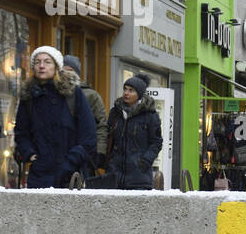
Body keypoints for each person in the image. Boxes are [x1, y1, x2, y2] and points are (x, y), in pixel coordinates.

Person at [14, 46, 97, 189]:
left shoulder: (72, 93)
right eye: (37, 62)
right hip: (40, 174)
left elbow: (89, 135)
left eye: (47, 62)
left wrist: (72, 160)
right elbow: (21, 132)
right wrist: (30, 154)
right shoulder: (28, 96)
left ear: (56, 66)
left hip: (70, 174)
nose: (41, 66)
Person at [105, 74, 164, 190]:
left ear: (139, 94)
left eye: (131, 90)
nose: (126, 93)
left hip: (139, 179)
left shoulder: (150, 115)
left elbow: (156, 142)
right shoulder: (115, 112)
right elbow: (108, 137)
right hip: (114, 176)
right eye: (125, 89)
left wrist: (144, 161)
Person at [61, 55, 107, 168]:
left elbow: (101, 125)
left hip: (84, 152)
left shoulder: (91, 96)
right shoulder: (55, 92)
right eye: (63, 70)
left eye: (70, 70)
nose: (67, 74)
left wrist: (100, 151)